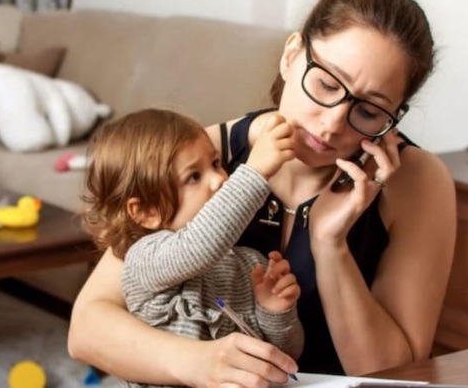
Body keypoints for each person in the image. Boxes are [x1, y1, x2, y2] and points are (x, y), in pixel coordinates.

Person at [69, 0, 457, 386]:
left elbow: (395, 372)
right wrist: (200, 363)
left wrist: (330, 245)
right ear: (291, 55)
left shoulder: (418, 183)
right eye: (326, 84)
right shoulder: (205, 157)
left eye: (370, 111)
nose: (331, 124)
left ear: (396, 114)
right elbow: (87, 328)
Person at [80, 108, 304, 387]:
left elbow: (287, 356)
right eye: (194, 177)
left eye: (216, 163)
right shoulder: (144, 258)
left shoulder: (248, 264)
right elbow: (197, 247)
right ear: (147, 211)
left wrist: (275, 311)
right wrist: (255, 172)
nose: (220, 179)